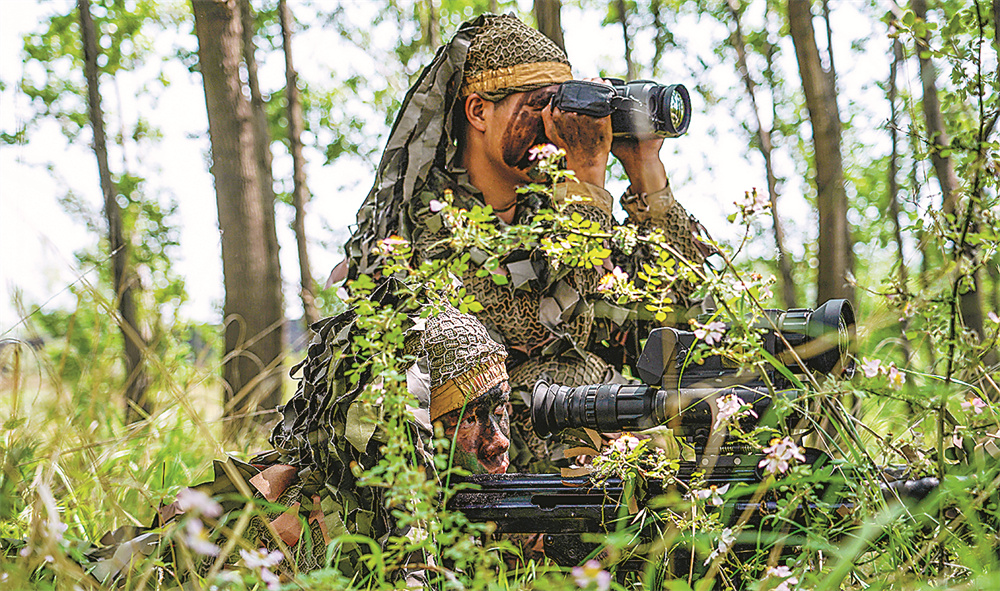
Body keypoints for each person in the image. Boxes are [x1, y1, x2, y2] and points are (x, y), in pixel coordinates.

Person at [334, 13, 718, 472]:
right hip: (482, 450)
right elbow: (540, 327)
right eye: (541, 107)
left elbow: (682, 312)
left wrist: (644, 170)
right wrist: (588, 178)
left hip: (587, 426)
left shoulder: (557, 209)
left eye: (565, 108)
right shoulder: (426, 222)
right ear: (478, 111)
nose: (559, 126)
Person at [83, 291, 512, 583]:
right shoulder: (326, 524)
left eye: (501, 410)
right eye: (470, 418)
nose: (499, 440)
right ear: (405, 429)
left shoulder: (433, 507)